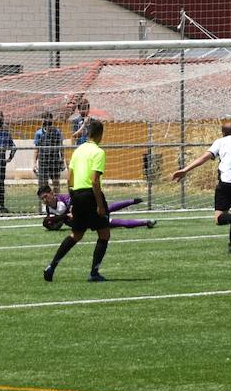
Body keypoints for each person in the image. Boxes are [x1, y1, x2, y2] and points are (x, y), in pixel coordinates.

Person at [43, 119, 113, 283]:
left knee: (76, 234)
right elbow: (95, 181)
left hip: (76, 194)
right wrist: (100, 206)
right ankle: (94, 273)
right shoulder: (98, 152)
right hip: (91, 195)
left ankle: (52, 265)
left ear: (87, 133)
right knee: (104, 234)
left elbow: (69, 178)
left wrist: (73, 201)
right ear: (100, 134)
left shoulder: (78, 150)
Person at [171, 120, 231, 253]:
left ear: (223, 133)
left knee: (219, 218)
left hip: (227, 181)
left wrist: (185, 170)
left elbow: (204, 158)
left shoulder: (220, 142)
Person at [38, 185, 155, 230]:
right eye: (42, 199)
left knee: (109, 212)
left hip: (89, 216)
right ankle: (146, 222)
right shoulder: (49, 210)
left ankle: (133, 202)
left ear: (52, 193)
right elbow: (52, 222)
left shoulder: (66, 198)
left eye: (45, 196)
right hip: (85, 223)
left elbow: (74, 210)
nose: (44, 200)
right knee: (116, 223)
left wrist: (70, 215)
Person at [32, 112, 65, 196]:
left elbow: (61, 147)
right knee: (44, 183)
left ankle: (57, 201)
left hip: (54, 160)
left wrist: (62, 160)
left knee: (56, 182)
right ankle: (45, 202)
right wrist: (34, 163)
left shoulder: (57, 132)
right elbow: (36, 149)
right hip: (43, 161)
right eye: (45, 120)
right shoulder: (39, 133)